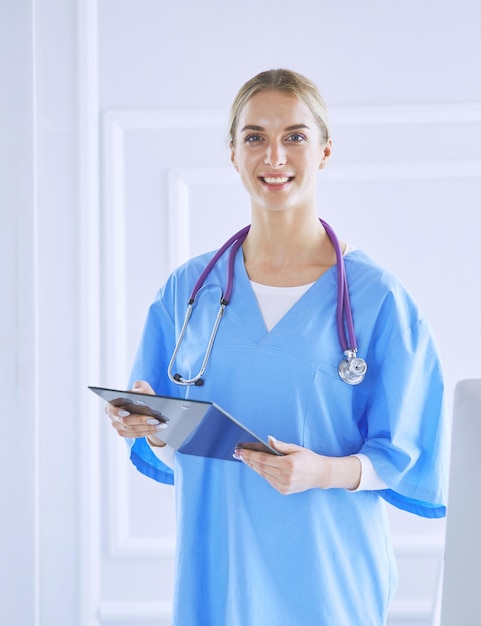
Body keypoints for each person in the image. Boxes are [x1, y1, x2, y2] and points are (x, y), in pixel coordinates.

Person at [105, 68, 449, 625]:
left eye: (294, 136)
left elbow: (408, 454)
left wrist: (322, 472)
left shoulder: (375, 297)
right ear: (233, 154)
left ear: (325, 152)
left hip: (325, 568)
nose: (274, 156)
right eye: (255, 137)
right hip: (217, 562)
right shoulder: (189, 291)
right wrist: (144, 422)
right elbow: (172, 442)